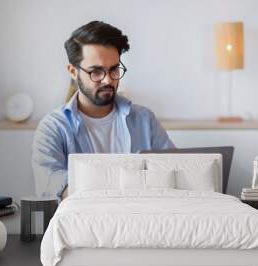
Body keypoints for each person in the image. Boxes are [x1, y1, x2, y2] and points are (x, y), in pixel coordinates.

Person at [31, 21, 174, 201]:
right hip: (84, 224)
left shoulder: (144, 119)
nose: (108, 80)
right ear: (73, 71)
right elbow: (48, 186)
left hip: (143, 221)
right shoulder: (53, 127)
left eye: (114, 70)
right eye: (96, 72)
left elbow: (174, 170)